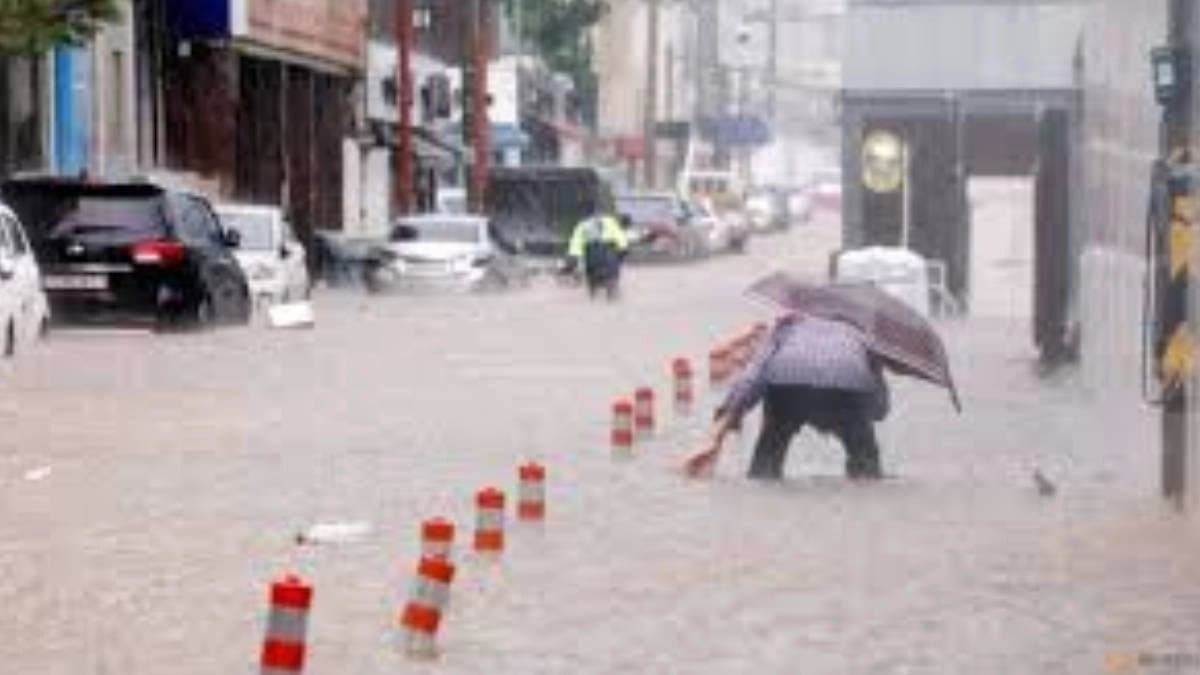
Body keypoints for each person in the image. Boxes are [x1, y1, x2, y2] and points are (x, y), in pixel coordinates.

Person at [685, 313, 890, 481]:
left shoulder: (786, 327)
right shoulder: (860, 336)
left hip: (787, 387)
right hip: (846, 387)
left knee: (766, 464)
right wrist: (862, 420)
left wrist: (724, 424)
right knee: (867, 466)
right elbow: (879, 406)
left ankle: (763, 475)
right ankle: (867, 476)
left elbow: (754, 377)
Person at [566, 201, 629, 298]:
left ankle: (593, 298)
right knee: (612, 279)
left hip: (592, 254)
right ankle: (612, 298)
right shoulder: (610, 221)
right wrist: (623, 250)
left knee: (592, 282)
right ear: (597, 211)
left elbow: (576, 244)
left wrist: (572, 259)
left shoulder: (582, 226)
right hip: (609, 253)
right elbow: (619, 237)